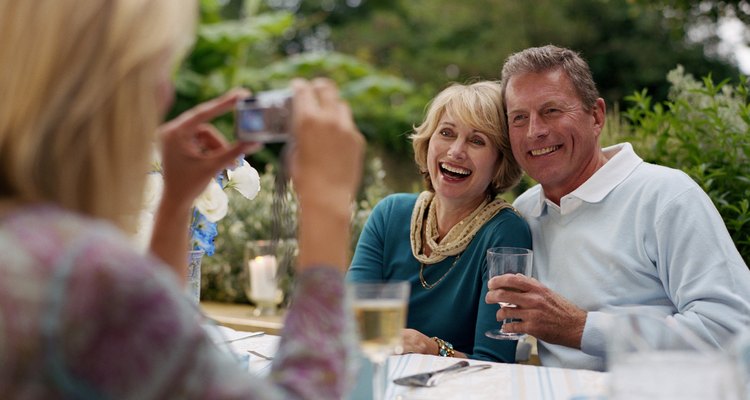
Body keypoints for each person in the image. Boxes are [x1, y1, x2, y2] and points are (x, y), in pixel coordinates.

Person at [0, 0, 364, 398]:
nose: (166, 93)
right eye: (157, 70)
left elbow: (151, 363)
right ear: (101, 86)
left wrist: (175, 204)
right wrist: (328, 204)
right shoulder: (85, 276)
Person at [486, 44, 750, 371]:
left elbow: (733, 330)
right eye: (519, 118)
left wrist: (582, 328)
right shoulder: (525, 211)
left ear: (596, 116)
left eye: (551, 110)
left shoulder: (667, 196)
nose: (535, 131)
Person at [347, 81, 532, 363]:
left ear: (499, 162)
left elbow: (495, 362)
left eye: (477, 141)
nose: (456, 151)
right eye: (446, 133)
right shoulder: (389, 213)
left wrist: (432, 349)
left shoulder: (506, 232)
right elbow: (347, 321)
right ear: (428, 141)